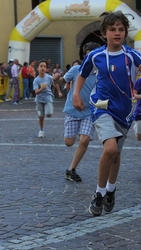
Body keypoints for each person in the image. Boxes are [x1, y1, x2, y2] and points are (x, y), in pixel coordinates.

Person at [72, 10, 141, 216]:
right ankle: (99, 193)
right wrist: (76, 94)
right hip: (101, 107)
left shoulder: (131, 55)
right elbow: (82, 75)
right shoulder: (95, 56)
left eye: (120, 29)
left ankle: (111, 190)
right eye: (112, 29)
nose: (117, 33)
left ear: (125, 33)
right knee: (110, 149)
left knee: (116, 154)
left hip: (124, 112)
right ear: (104, 33)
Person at [55, 42, 101, 182]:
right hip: (73, 110)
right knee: (69, 142)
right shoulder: (76, 69)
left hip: (90, 111)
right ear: (86, 54)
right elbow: (64, 80)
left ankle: (71, 170)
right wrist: (57, 79)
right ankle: (71, 168)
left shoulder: (100, 72)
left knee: (84, 140)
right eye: (90, 54)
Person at [33, 59, 55, 138]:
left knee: (48, 114)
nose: (43, 68)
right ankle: (41, 130)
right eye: (41, 66)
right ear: (37, 68)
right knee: (40, 117)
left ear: (46, 69)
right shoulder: (36, 80)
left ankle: (48, 108)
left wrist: (59, 91)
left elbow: (55, 84)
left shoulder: (49, 77)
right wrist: (42, 88)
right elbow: (36, 92)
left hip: (48, 98)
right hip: (39, 100)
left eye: (44, 67)